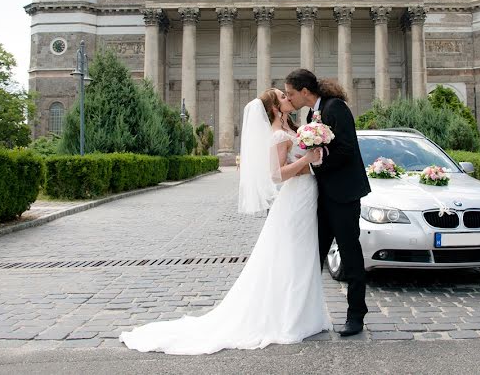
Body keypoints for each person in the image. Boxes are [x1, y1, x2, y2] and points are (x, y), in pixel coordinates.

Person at [119, 88, 331, 354]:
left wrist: (313, 157)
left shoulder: (292, 128)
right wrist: (308, 160)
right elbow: (276, 176)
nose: (289, 98)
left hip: (304, 198)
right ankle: (289, 319)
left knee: (303, 257)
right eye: (283, 97)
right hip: (293, 200)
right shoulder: (277, 134)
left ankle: (304, 316)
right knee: (291, 257)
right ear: (276, 108)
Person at [284, 68, 371, 337]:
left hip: (344, 195)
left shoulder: (337, 108)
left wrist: (314, 167)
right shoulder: (313, 114)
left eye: (290, 94)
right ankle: (307, 314)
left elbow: (345, 149)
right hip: (323, 196)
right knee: (315, 255)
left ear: (305, 92)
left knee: (350, 255)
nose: (289, 99)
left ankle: (356, 315)